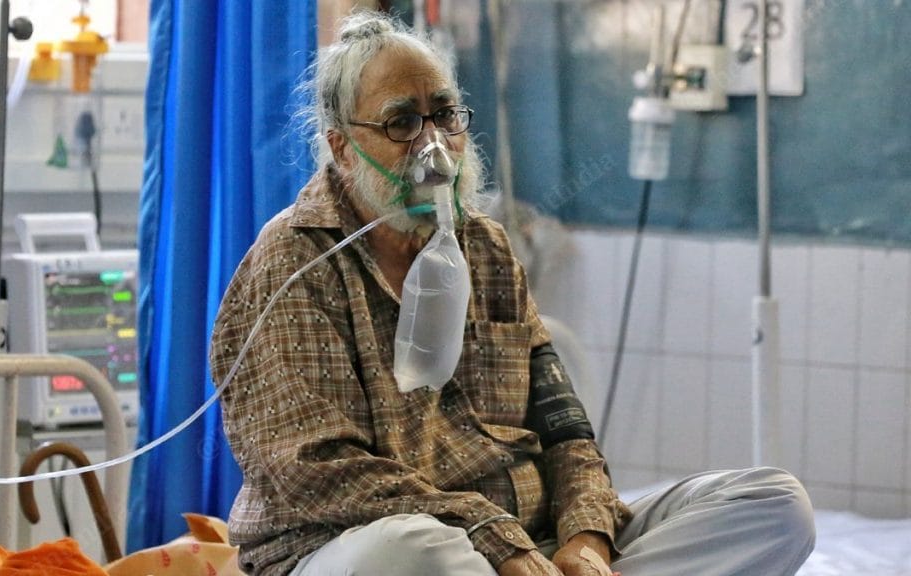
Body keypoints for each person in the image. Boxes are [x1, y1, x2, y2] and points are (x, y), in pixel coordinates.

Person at [209, 11, 815, 576]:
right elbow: (313, 472)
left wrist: (587, 535)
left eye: (445, 114)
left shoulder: (487, 249)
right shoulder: (294, 260)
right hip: (361, 546)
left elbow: (565, 428)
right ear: (342, 146)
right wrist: (493, 538)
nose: (433, 145)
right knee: (415, 549)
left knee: (774, 505)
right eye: (401, 122)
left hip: (530, 540)